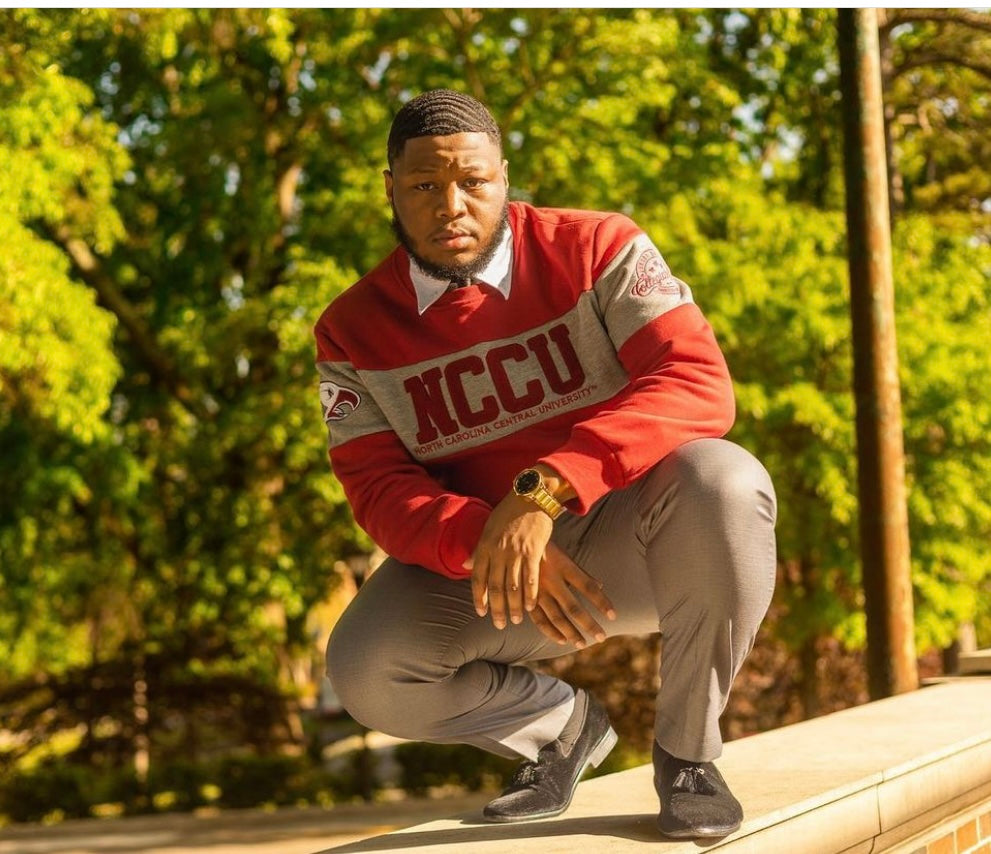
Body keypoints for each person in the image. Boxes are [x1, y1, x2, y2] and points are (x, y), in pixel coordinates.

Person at [318, 89, 776, 840]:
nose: (451, 205)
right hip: (495, 575)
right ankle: (558, 730)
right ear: (390, 190)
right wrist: (486, 537)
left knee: (724, 481)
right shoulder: (349, 328)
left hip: (640, 542)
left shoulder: (598, 246)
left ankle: (688, 756)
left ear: (504, 176)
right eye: (424, 187)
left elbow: (693, 382)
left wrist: (542, 493)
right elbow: (376, 489)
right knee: (368, 668)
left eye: (473, 181)